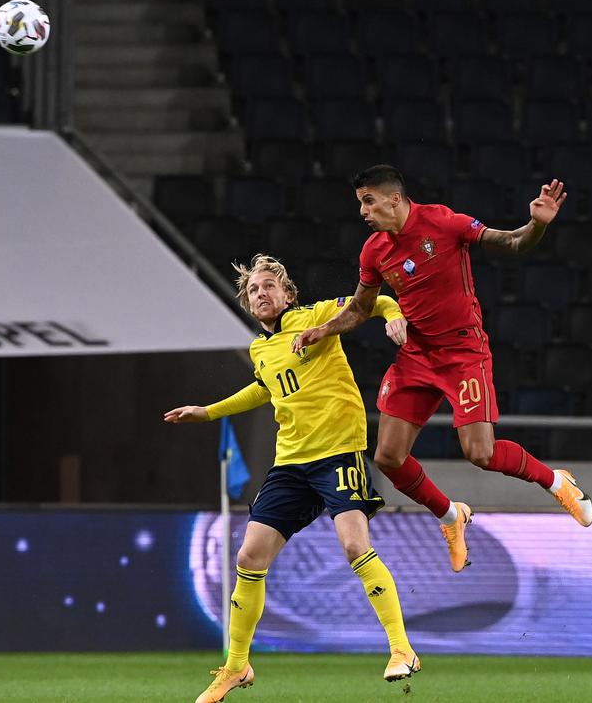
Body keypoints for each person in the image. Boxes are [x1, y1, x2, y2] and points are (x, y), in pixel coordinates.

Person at [293, 165, 592, 574]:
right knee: (387, 457)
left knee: (480, 453)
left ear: (394, 199)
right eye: (360, 202)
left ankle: (556, 482)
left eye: (368, 201)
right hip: (416, 357)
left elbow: (510, 243)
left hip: (463, 353)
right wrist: (324, 329)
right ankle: (451, 517)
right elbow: (363, 308)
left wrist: (535, 226)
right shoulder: (374, 250)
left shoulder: (442, 220)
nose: (363, 211)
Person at [165, 254, 420, 703]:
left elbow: (375, 302)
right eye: (253, 290)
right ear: (248, 304)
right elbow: (262, 389)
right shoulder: (259, 349)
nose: (261, 293)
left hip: (338, 452)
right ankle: (237, 665)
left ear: (287, 294)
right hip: (291, 465)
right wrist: (208, 412)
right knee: (249, 554)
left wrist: (395, 316)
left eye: (268, 286)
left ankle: (402, 649)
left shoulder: (317, 315)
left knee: (354, 545)